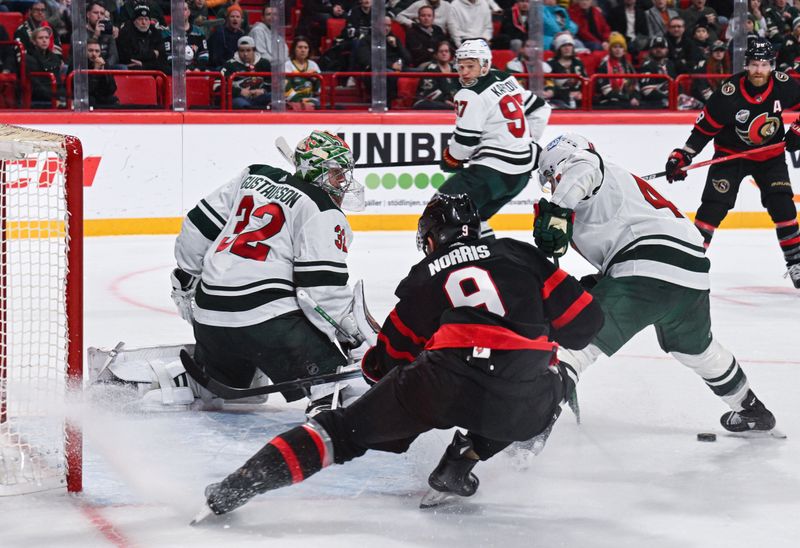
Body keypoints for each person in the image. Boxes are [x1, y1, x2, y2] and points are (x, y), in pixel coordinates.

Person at [194, 193, 603, 519]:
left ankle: (235, 488)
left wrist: (381, 365)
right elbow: (586, 326)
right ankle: (465, 457)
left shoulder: (424, 276)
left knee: (339, 432)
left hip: (441, 384)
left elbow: (386, 363)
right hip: (521, 398)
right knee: (555, 379)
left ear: (431, 238)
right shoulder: (519, 254)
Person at [533, 133, 781, 436]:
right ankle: (751, 408)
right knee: (697, 350)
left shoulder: (588, 166)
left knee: (577, 339)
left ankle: (532, 426)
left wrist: (556, 210)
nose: (553, 186)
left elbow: (582, 166)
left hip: (647, 265)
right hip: (690, 273)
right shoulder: (611, 189)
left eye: (551, 177)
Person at [170, 130, 368, 415]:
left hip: (209, 318)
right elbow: (320, 293)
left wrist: (186, 280)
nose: (344, 183)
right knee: (332, 379)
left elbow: (196, 226)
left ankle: (185, 381)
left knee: (228, 382)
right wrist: (353, 337)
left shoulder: (253, 176)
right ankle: (326, 406)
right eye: (338, 174)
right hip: (267, 327)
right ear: (317, 172)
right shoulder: (321, 209)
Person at [664, 37, 800, 288]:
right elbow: (703, 130)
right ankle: (690, 264)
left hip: (769, 157)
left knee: (783, 207)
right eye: (754, 64)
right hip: (730, 156)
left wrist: (798, 130)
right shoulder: (730, 93)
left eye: (764, 64)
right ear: (746, 64)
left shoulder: (784, 86)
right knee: (712, 209)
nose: (759, 70)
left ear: (772, 65)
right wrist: (683, 155)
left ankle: (796, 264)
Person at [438, 38, 551, 237]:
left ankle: (450, 264)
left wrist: (452, 158)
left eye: (470, 66)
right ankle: (489, 258)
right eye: (460, 66)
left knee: (442, 210)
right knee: (477, 219)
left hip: (491, 173)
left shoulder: (469, 94)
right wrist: (524, 141)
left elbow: (465, 144)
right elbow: (541, 107)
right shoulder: (505, 78)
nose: (464, 72)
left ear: (485, 65)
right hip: (521, 175)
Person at [220, 35, 271, 109]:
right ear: (237, 51)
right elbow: (218, 86)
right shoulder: (229, 65)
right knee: (241, 104)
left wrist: (263, 90)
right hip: (239, 98)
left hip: (260, 97)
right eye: (242, 51)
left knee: (276, 99)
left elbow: (274, 84)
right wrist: (239, 92)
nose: (245, 54)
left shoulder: (264, 63)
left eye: (248, 50)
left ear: (254, 50)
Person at [593, 31, 639, 109]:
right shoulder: (604, 65)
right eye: (615, 47)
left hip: (626, 100)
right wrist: (627, 98)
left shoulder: (628, 65)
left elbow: (635, 85)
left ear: (624, 50)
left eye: (620, 47)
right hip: (609, 101)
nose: (618, 50)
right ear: (610, 49)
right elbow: (606, 92)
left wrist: (634, 97)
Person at [116, 4, 165, 71]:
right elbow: (128, 58)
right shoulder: (126, 32)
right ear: (134, 21)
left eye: (146, 19)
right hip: (132, 70)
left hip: (152, 70)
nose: (144, 22)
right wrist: (153, 54)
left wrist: (143, 64)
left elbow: (162, 59)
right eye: (140, 19)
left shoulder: (155, 33)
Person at [413, 40, 458, 109]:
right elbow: (429, 92)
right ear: (436, 54)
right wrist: (445, 100)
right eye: (441, 51)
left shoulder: (454, 69)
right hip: (429, 101)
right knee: (448, 107)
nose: (444, 53)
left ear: (450, 53)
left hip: (451, 102)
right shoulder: (430, 68)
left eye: (446, 51)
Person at [25, 26, 63, 106]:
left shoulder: (54, 57)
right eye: (40, 38)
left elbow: (58, 81)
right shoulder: (29, 58)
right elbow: (36, 85)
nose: (44, 40)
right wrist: (53, 98)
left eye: (46, 38)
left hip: (54, 95)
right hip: (38, 97)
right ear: (34, 41)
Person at [285, 36, 321, 110]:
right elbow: (286, 89)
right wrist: (300, 100)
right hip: (292, 100)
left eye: (305, 48)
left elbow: (319, 89)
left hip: (311, 100)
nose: (303, 50)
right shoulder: (287, 65)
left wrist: (316, 81)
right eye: (300, 47)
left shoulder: (313, 65)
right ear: (294, 49)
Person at [639, 35, 675, 109]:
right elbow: (647, 91)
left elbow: (677, 84)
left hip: (671, 100)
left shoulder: (670, 64)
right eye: (655, 47)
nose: (658, 50)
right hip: (653, 104)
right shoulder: (647, 66)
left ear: (667, 50)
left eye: (662, 47)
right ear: (650, 50)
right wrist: (668, 97)